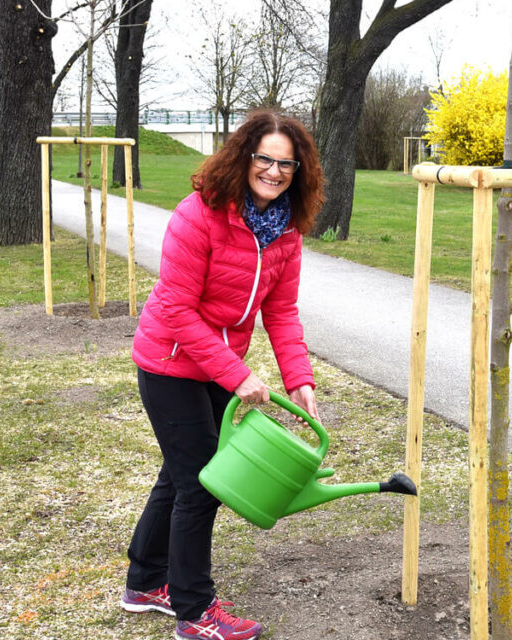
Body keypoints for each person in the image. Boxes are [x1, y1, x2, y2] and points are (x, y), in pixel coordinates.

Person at [118, 110, 324, 640]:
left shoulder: (286, 233)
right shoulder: (199, 215)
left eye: (286, 164)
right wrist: (237, 375)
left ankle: (145, 582)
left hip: (215, 366)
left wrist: (299, 379)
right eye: (266, 159)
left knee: (180, 473)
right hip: (169, 362)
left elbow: (281, 313)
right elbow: (176, 312)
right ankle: (194, 611)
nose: (275, 172)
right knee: (201, 483)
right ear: (243, 157)